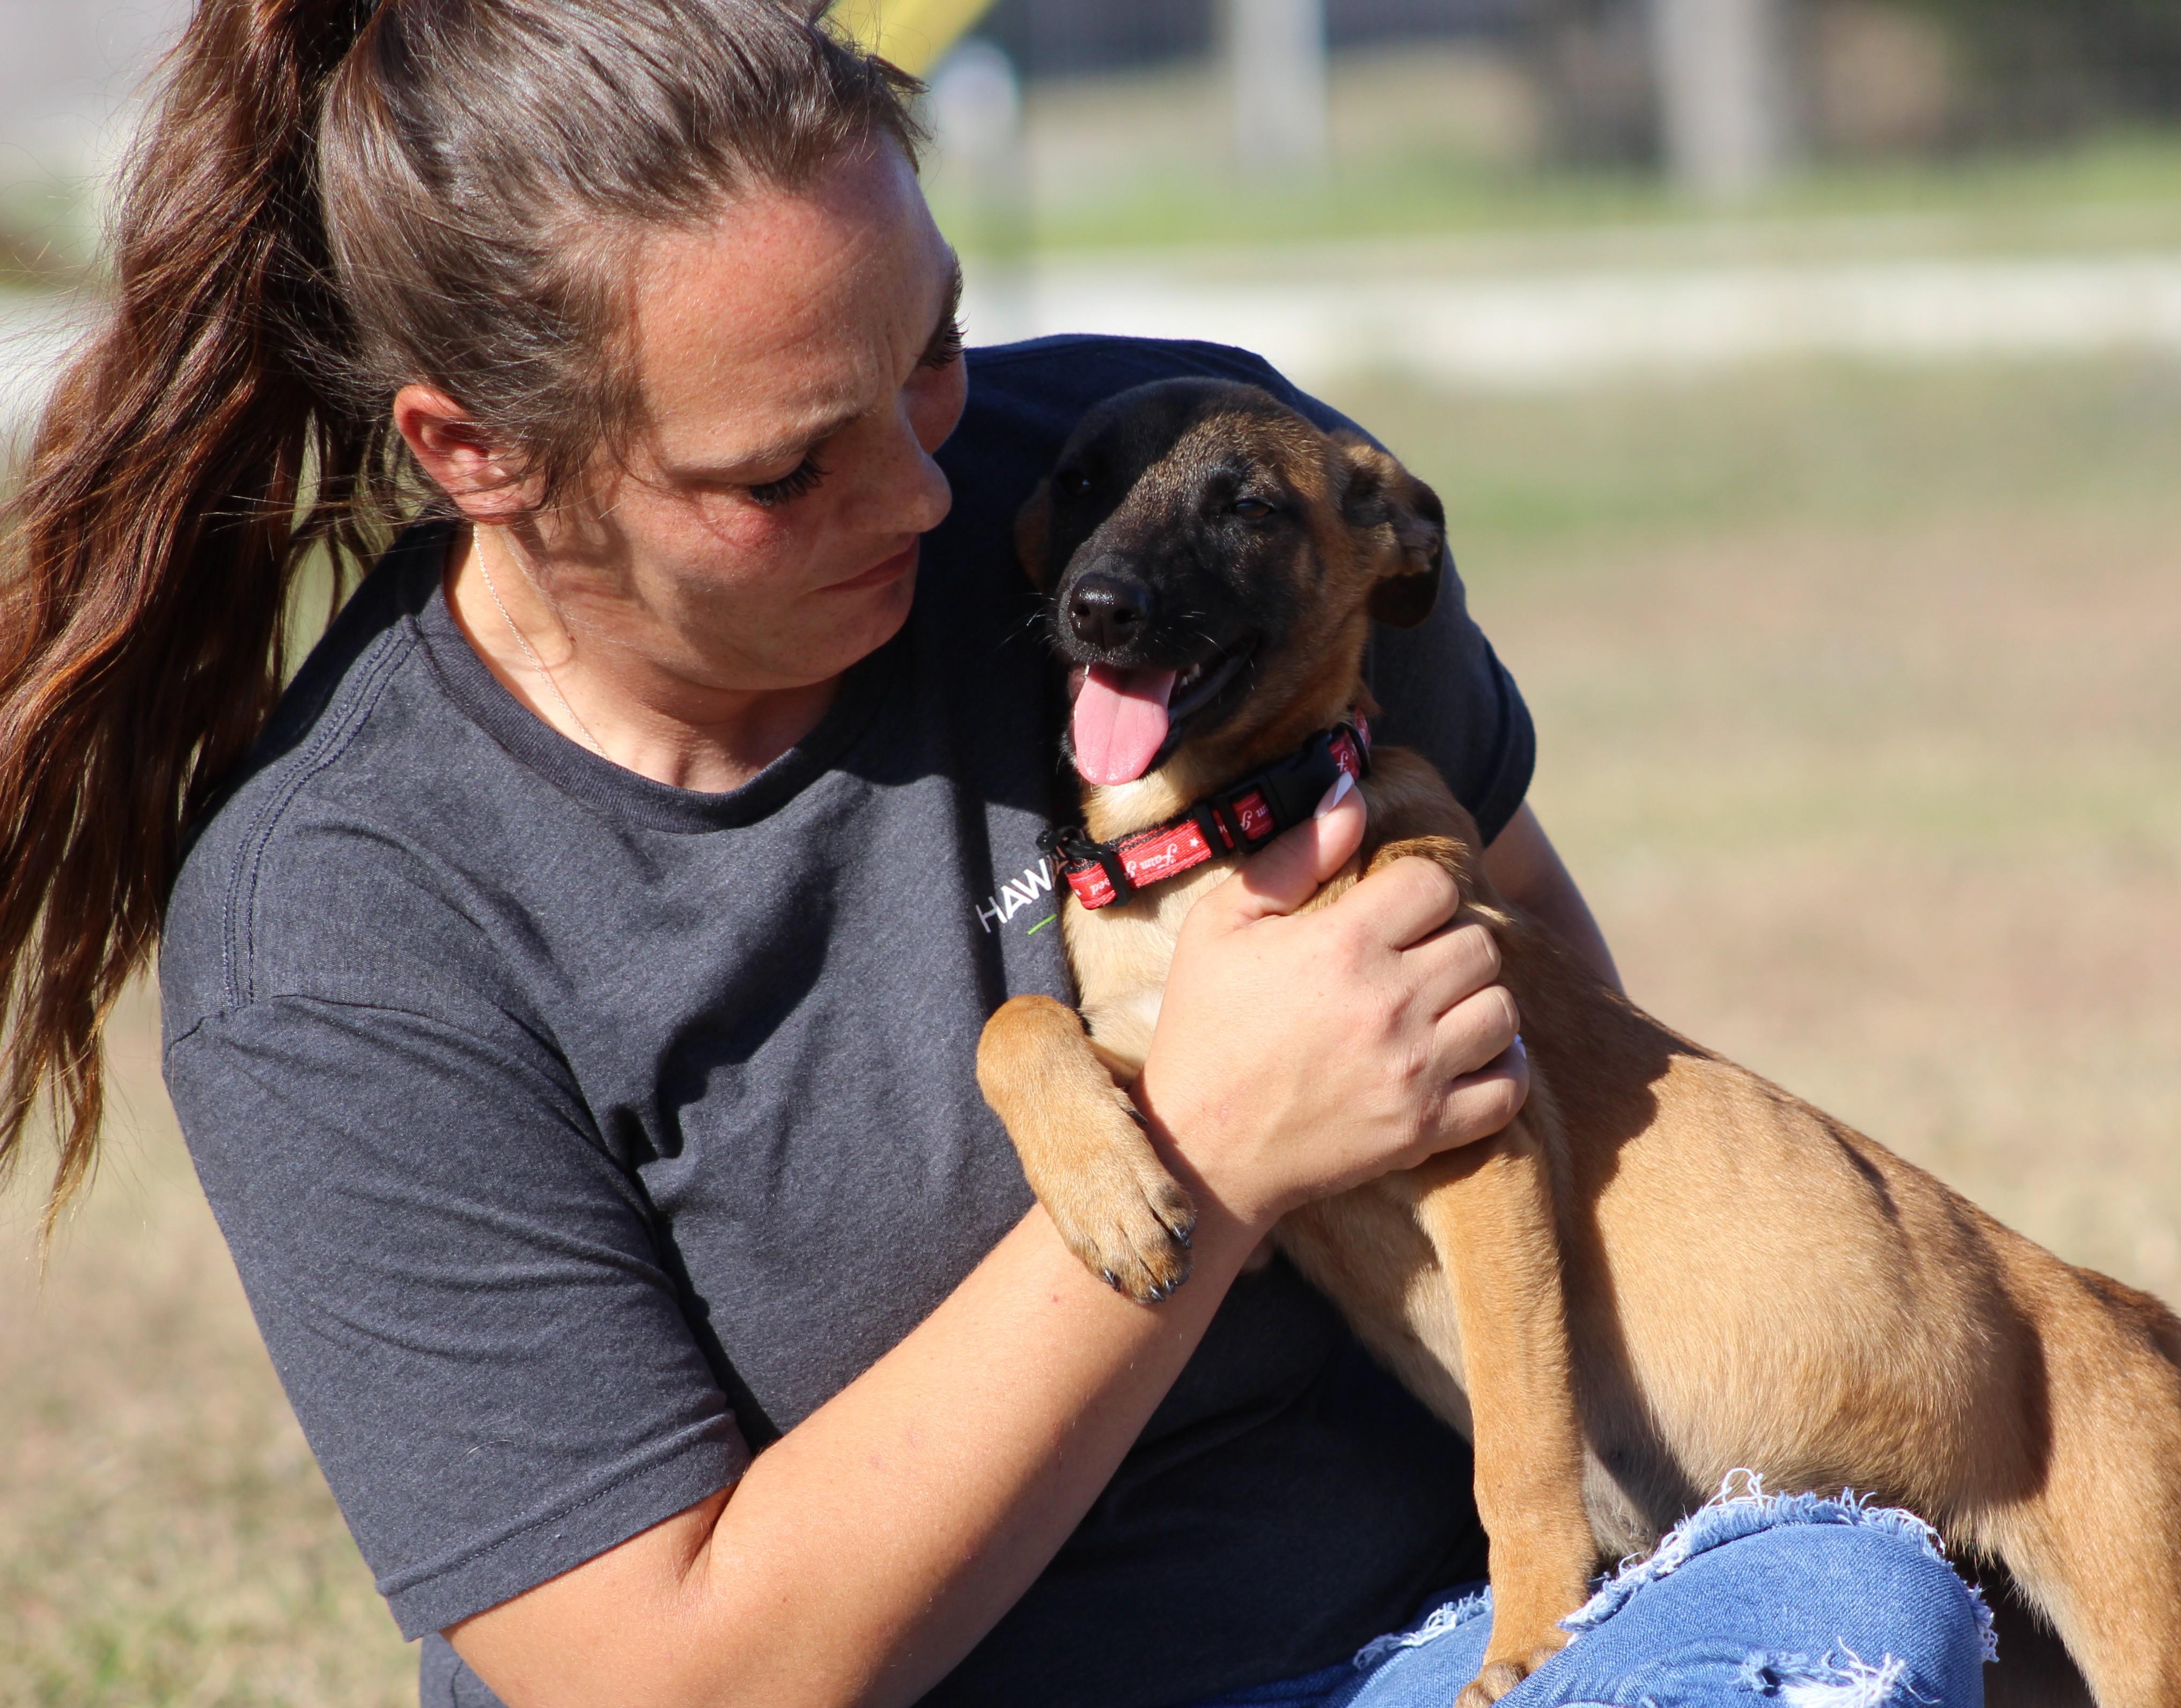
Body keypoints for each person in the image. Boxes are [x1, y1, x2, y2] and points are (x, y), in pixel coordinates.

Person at [0, 3, 1996, 1705]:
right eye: (786, 467)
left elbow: (1554, 1019)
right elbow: (681, 1676)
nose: (928, 486)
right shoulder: (347, 920)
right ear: (473, 456)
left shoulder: (1150, 505)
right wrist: (1213, 1140)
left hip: (1445, 1645)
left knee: (1839, 1623)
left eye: (933, 350)